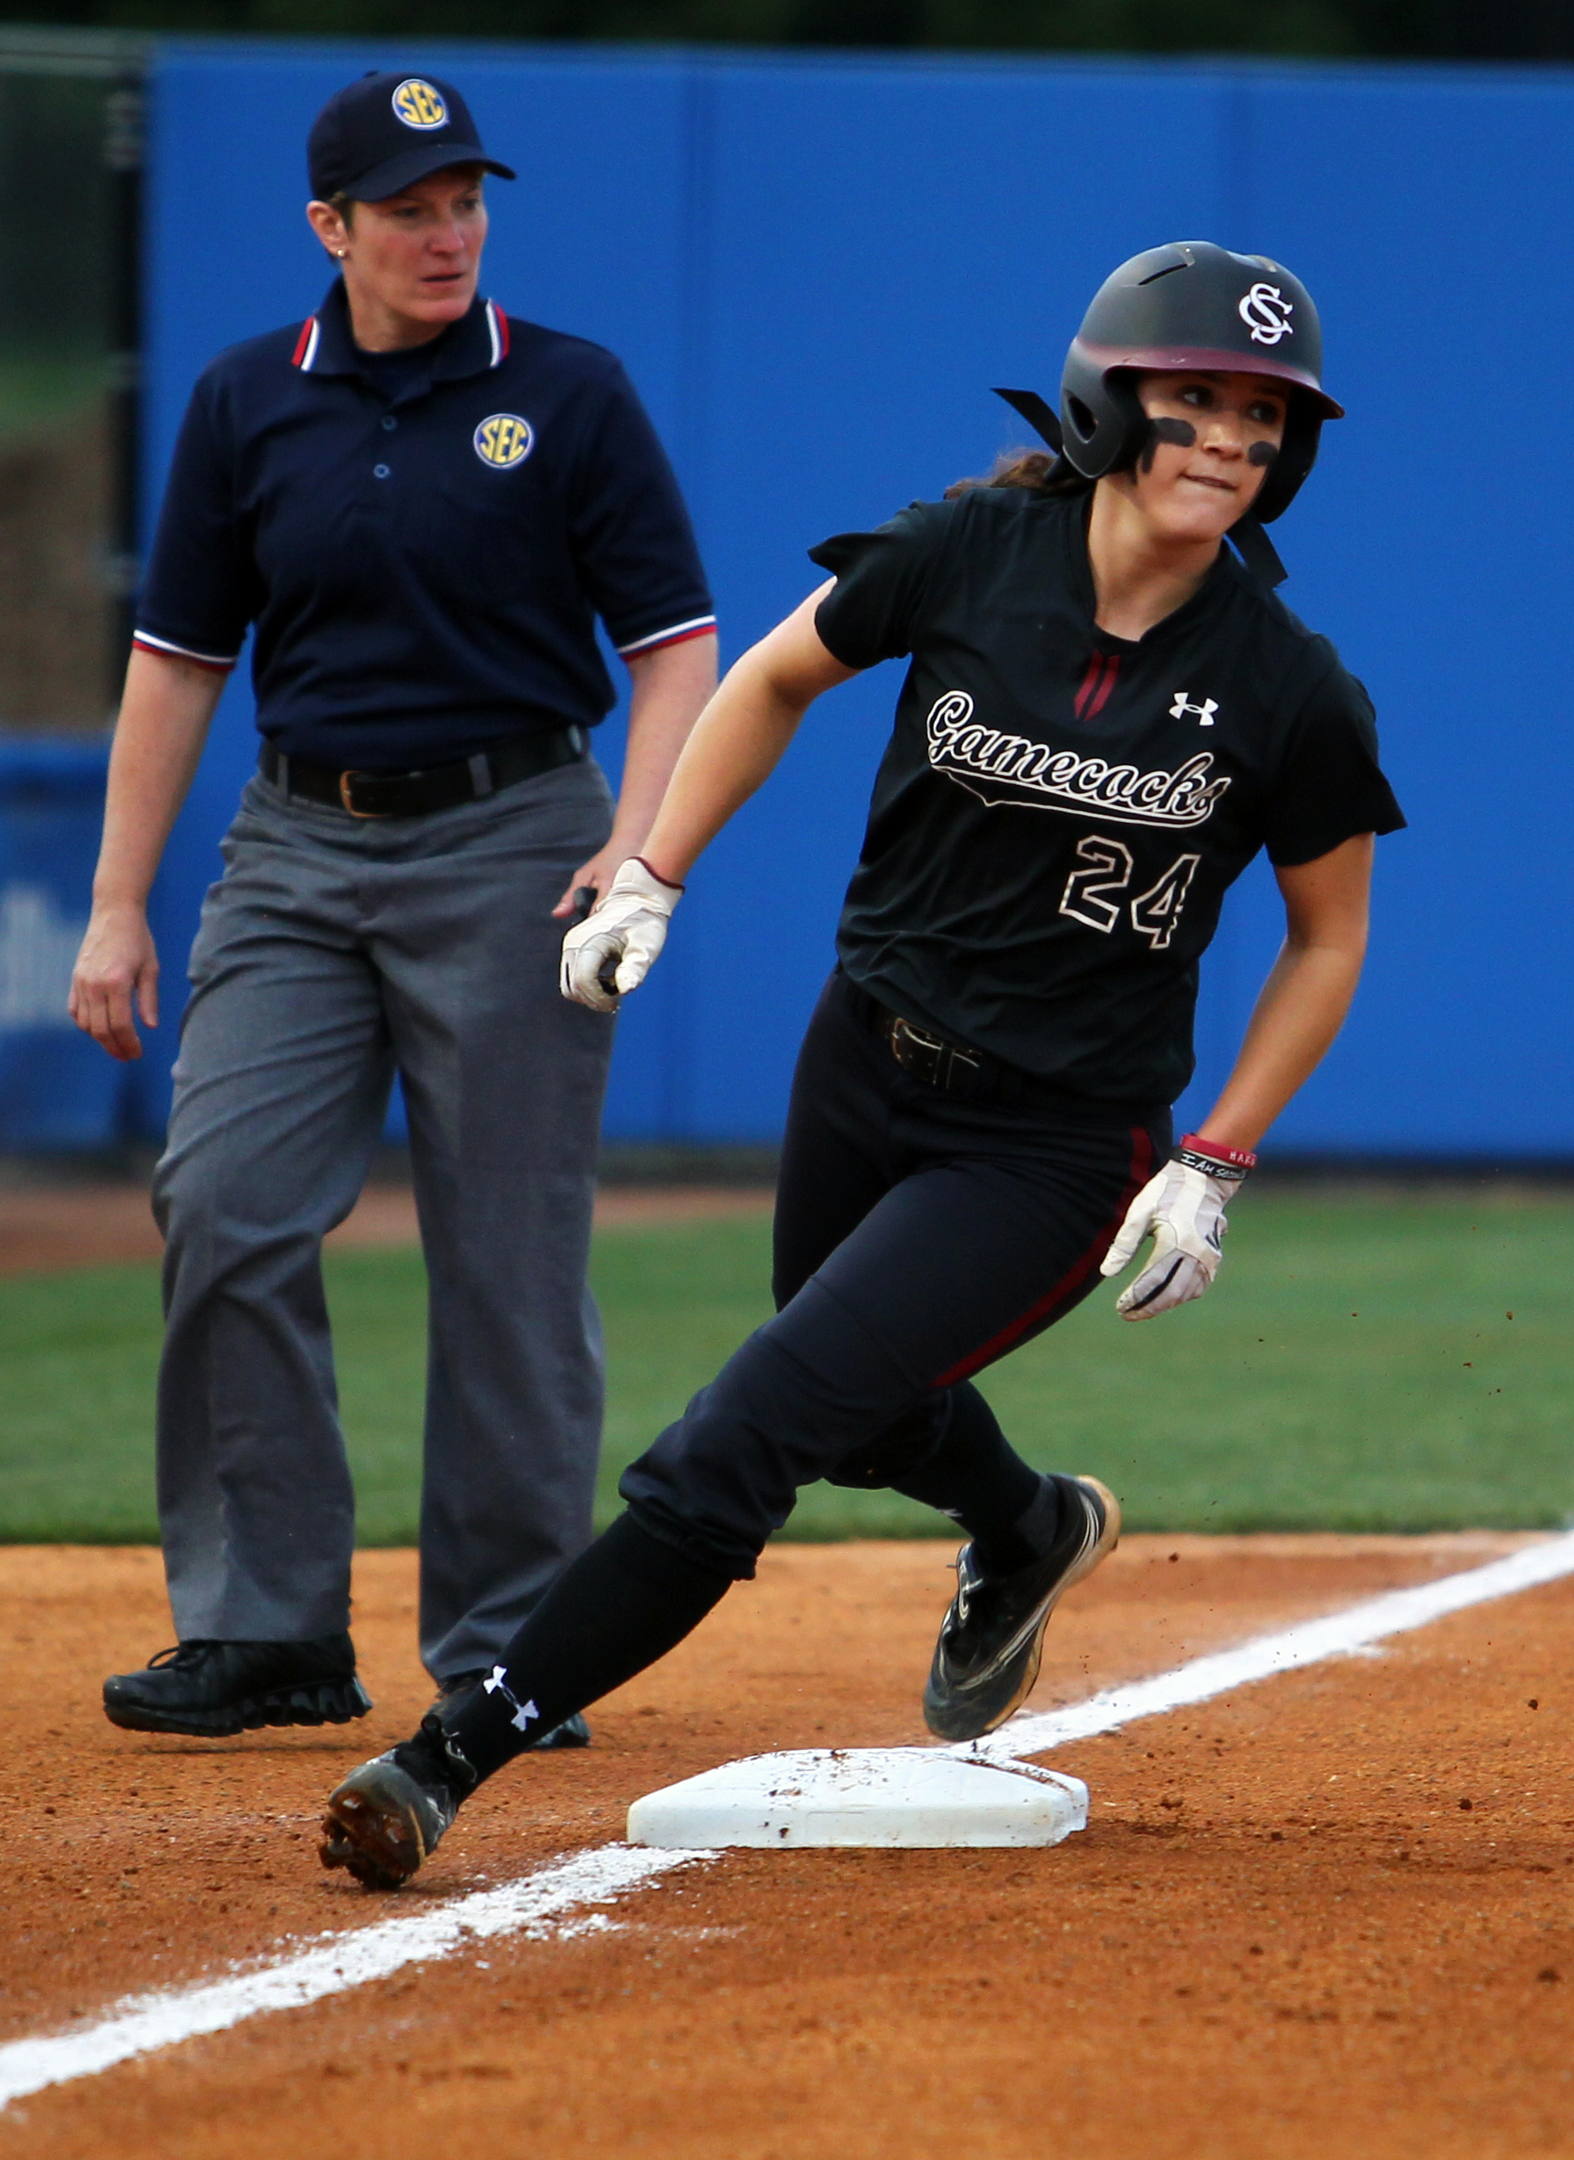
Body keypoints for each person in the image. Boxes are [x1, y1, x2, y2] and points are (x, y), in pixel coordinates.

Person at [317, 239, 1404, 1889]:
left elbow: (1326, 940)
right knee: (852, 1417)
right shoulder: (972, 547)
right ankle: (1030, 1524)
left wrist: (1218, 1155)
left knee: (743, 1436)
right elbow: (769, 678)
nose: (1230, 441)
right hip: (864, 1056)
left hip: (1050, 1146)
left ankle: (448, 1753)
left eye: (1263, 417)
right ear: (1110, 400)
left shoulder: (1286, 687)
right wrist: (650, 868)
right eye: (1194, 399)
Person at [70, 70, 717, 1744]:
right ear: (330, 229)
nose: (447, 234)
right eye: (410, 209)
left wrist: (636, 852)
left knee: (505, 1255)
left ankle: (508, 1647)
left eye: (465, 202)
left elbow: (673, 653)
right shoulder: (242, 401)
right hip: (294, 850)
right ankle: (266, 1626)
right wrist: (117, 906)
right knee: (222, 1200)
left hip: (521, 843)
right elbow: (174, 664)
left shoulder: (566, 393)